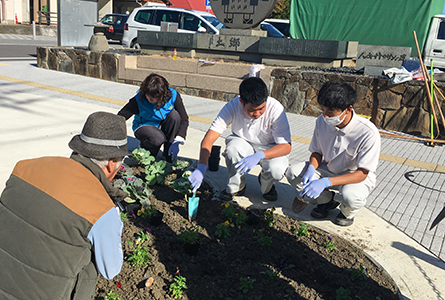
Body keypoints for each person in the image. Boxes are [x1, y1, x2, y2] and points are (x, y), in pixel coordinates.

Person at [0, 111, 128, 299]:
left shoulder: (25, 167)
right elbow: (111, 269)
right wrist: (115, 219)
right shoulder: (101, 209)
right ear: (111, 164)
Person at [286, 80, 380, 226]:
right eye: (323, 110)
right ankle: (326, 200)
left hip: (353, 176)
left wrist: (325, 182)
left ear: (348, 109)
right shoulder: (321, 121)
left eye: (330, 112)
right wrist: (312, 167)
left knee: (350, 196)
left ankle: (346, 213)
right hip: (327, 169)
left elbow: (362, 173)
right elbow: (317, 152)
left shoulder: (367, 132)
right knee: (292, 173)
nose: (325, 116)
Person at [188, 77, 292, 201]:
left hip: (270, 147)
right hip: (243, 142)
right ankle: (237, 186)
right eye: (252, 110)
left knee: (277, 170)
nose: (257, 114)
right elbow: (209, 139)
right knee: (232, 150)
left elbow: (286, 146)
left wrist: (259, 155)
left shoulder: (276, 110)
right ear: (241, 101)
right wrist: (202, 166)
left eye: (261, 109)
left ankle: (267, 185)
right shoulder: (233, 106)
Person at [118, 73, 189, 162]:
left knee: (175, 116)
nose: (151, 99)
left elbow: (184, 118)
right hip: (144, 126)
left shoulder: (173, 95)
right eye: (149, 96)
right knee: (157, 139)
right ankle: (146, 150)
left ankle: (167, 153)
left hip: (163, 125)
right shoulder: (138, 100)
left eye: (154, 97)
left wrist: (178, 139)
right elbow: (120, 117)